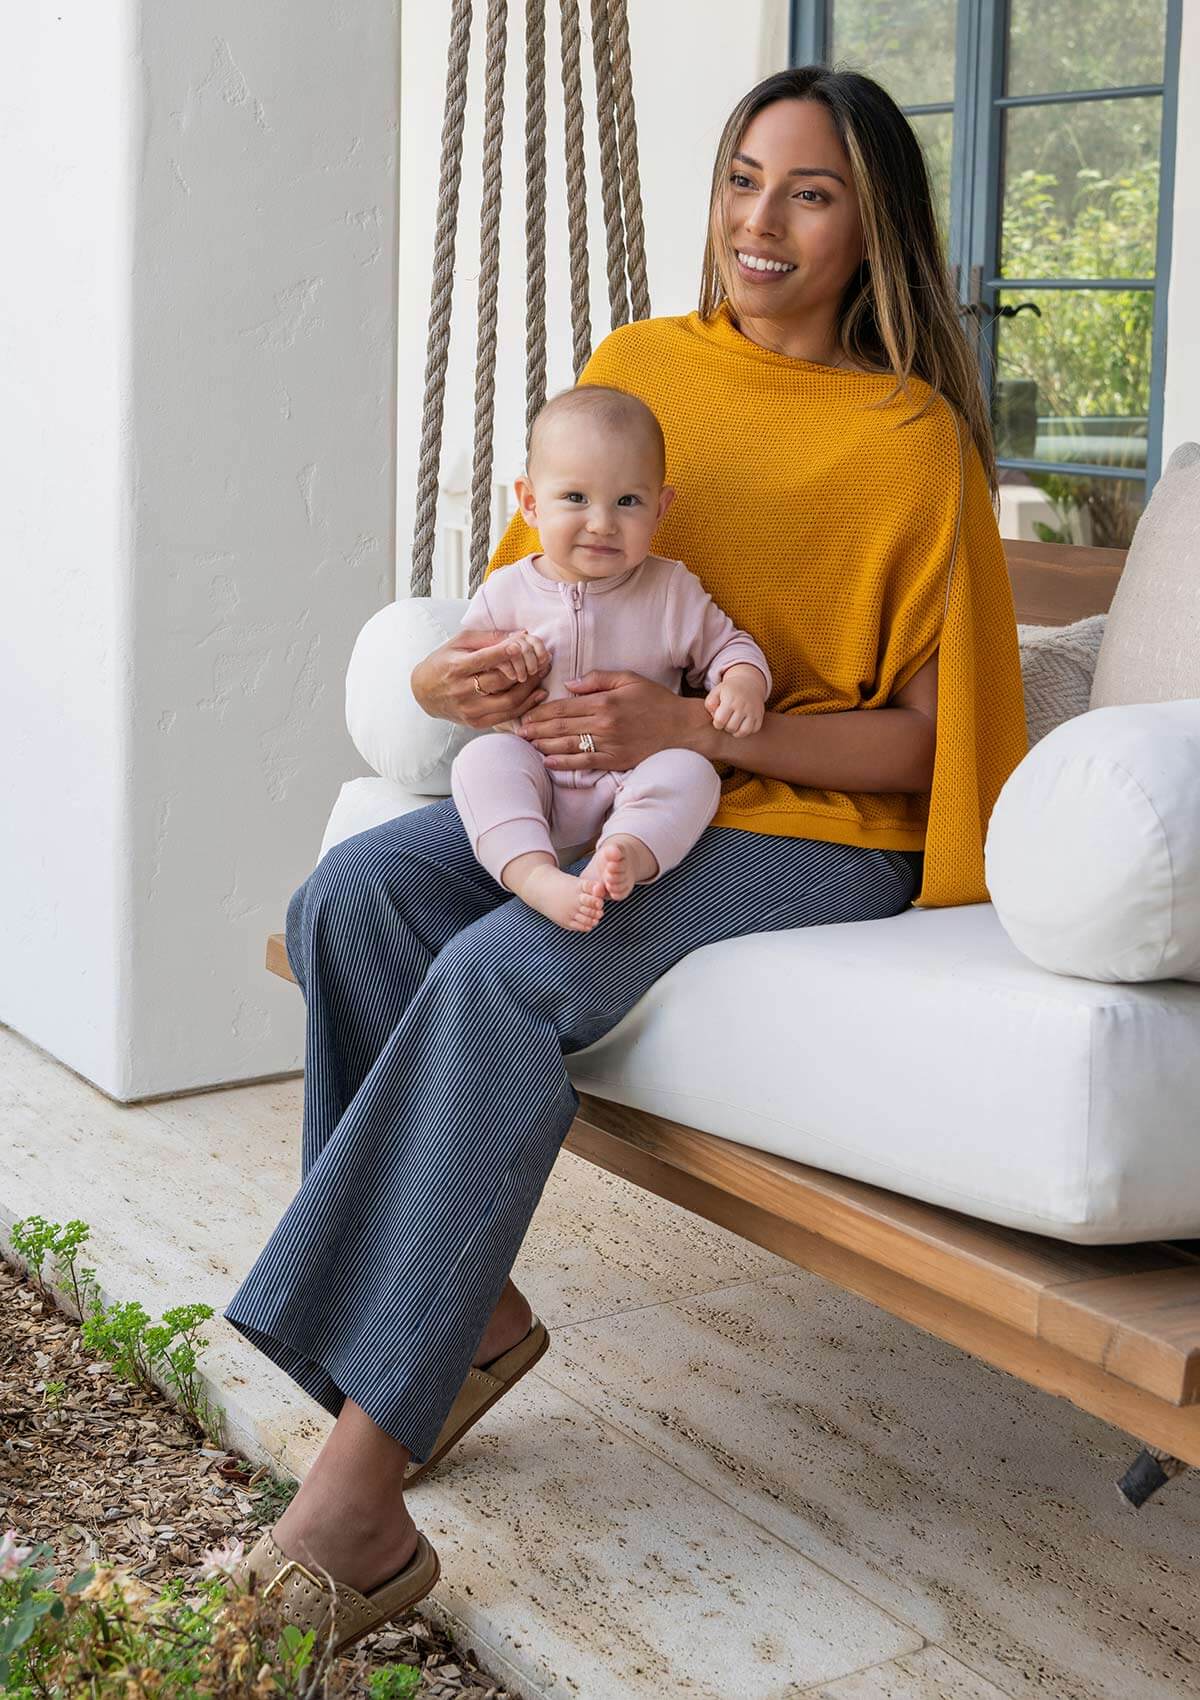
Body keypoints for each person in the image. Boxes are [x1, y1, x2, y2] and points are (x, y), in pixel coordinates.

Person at [223, 64, 1027, 1649]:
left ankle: (359, 1504)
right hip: (594, 779)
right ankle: (463, 1329)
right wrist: (456, 681)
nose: (761, 220)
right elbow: (534, 600)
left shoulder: (912, 437)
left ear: (875, 229)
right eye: (743, 178)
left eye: (808, 191)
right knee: (354, 899)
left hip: (803, 825)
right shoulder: (640, 369)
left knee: (506, 970)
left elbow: (924, 749)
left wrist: (708, 731)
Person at [448, 384, 771, 931]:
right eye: (575, 498)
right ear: (530, 502)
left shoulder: (669, 590)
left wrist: (743, 683)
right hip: (539, 776)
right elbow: (468, 672)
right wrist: (503, 664)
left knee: (692, 773)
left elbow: (730, 646)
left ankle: (624, 854)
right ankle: (534, 875)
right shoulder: (504, 592)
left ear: (660, 508)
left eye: (628, 502)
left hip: (632, 777)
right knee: (481, 764)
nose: (601, 523)